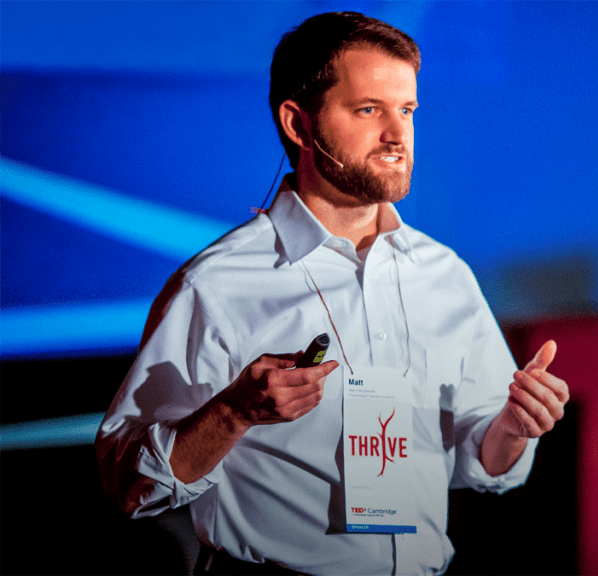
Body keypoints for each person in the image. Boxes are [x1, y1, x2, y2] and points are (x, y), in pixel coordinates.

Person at [95, 11, 569, 575]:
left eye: (407, 110)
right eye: (369, 110)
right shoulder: (216, 285)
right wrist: (232, 413)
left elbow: (484, 460)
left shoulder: (444, 274)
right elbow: (129, 486)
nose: (397, 135)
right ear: (299, 124)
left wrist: (514, 426)